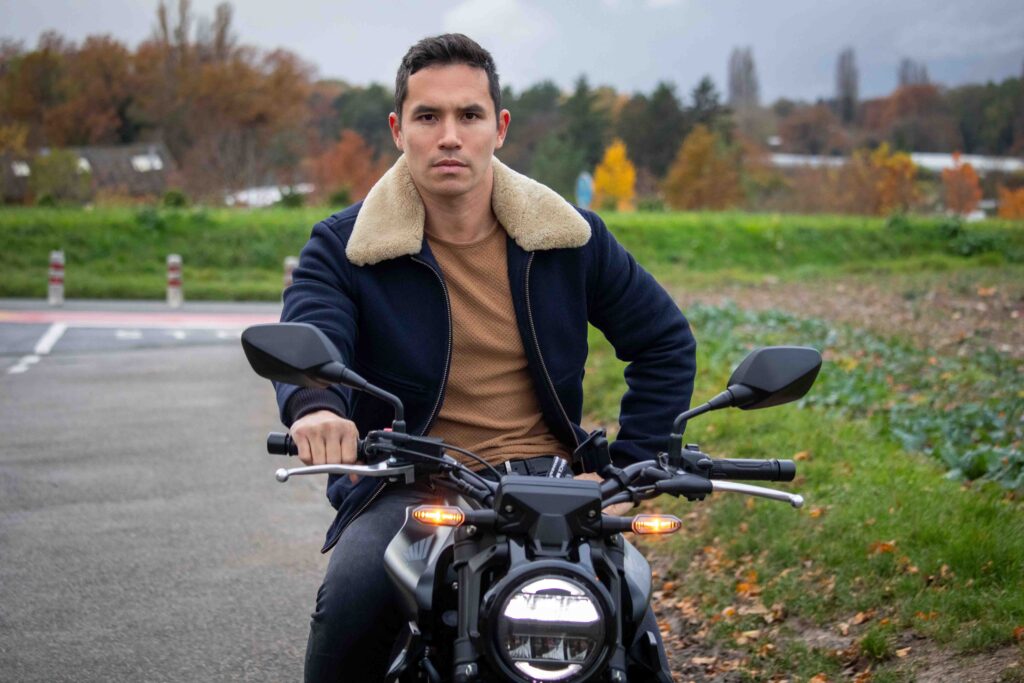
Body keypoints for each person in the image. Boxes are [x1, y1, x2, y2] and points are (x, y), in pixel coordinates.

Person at [275, 33, 696, 682]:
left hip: (554, 483)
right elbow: (312, 336)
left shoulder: (568, 238)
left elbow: (664, 340)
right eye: (428, 116)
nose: (450, 135)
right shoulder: (346, 245)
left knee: (629, 618)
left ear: (498, 127)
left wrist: (632, 468)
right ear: (398, 129)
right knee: (352, 596)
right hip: (411, 480)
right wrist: (315, 407)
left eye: (469, 115)